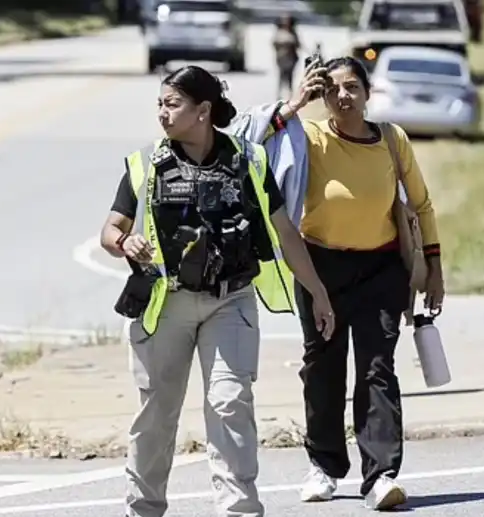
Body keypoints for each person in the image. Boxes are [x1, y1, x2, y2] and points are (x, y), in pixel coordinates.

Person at [100, 65, 335, 517]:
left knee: (230, 402)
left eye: (172, 104)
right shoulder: (144, 163)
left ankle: (239, 508)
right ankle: (143, 508)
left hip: (231, 301)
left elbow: (285, 234)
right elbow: (111, 228)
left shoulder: (249, 160)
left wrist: (319, 294)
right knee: (157, 415)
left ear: (203, 110)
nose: (162, 114)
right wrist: (124, 242)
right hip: (165, 304)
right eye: (160, 104)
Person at [266, 56, 446, 510]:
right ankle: (324, 466)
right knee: (323, 367)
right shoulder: (307, 136)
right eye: (332, 90)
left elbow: (421, 204)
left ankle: (381, 475)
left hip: (381, 269)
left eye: (351, 88)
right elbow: (250, 143)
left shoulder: (391, 139)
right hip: (320, 269)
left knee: (377, 368)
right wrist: (295, 102)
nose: (342, 97)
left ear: (367, 93)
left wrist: (434, 266)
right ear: (322, 97)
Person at [271, 14, 301, 98]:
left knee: (290, 77)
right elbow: (274, 44)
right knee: (281, 76)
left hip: (292, 58)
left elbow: (298, 45)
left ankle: (290, 94)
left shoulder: (293, 33)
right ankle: (279, 95)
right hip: (281, 59)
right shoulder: (279, 32)